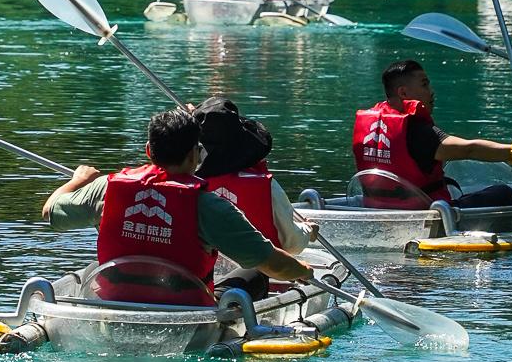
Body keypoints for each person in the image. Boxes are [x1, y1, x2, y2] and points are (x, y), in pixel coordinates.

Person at [39, 108, 315, 304]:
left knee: (94, 269)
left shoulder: (107, 188)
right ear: (196, 154)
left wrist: (77, 181)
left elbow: (51, 212)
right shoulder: (208, 205)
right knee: (255, 272)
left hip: (117, 305)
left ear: (149, 150)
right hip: (185, 315)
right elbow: (273, 263)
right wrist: (303, 270)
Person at [352, 59, 512, 209]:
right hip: (427, 214)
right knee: (504, 193)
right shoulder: (417, 130)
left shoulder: (369, 126)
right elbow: (469, 150)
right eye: (425, 85)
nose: (431, 91)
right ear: (403, 93)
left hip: (379, 210)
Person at [195, 97, 309, 256]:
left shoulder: (189, 185)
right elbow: (292, 244)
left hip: (205, 276)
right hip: (259, 275)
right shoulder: (266, 187)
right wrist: (308, 231)